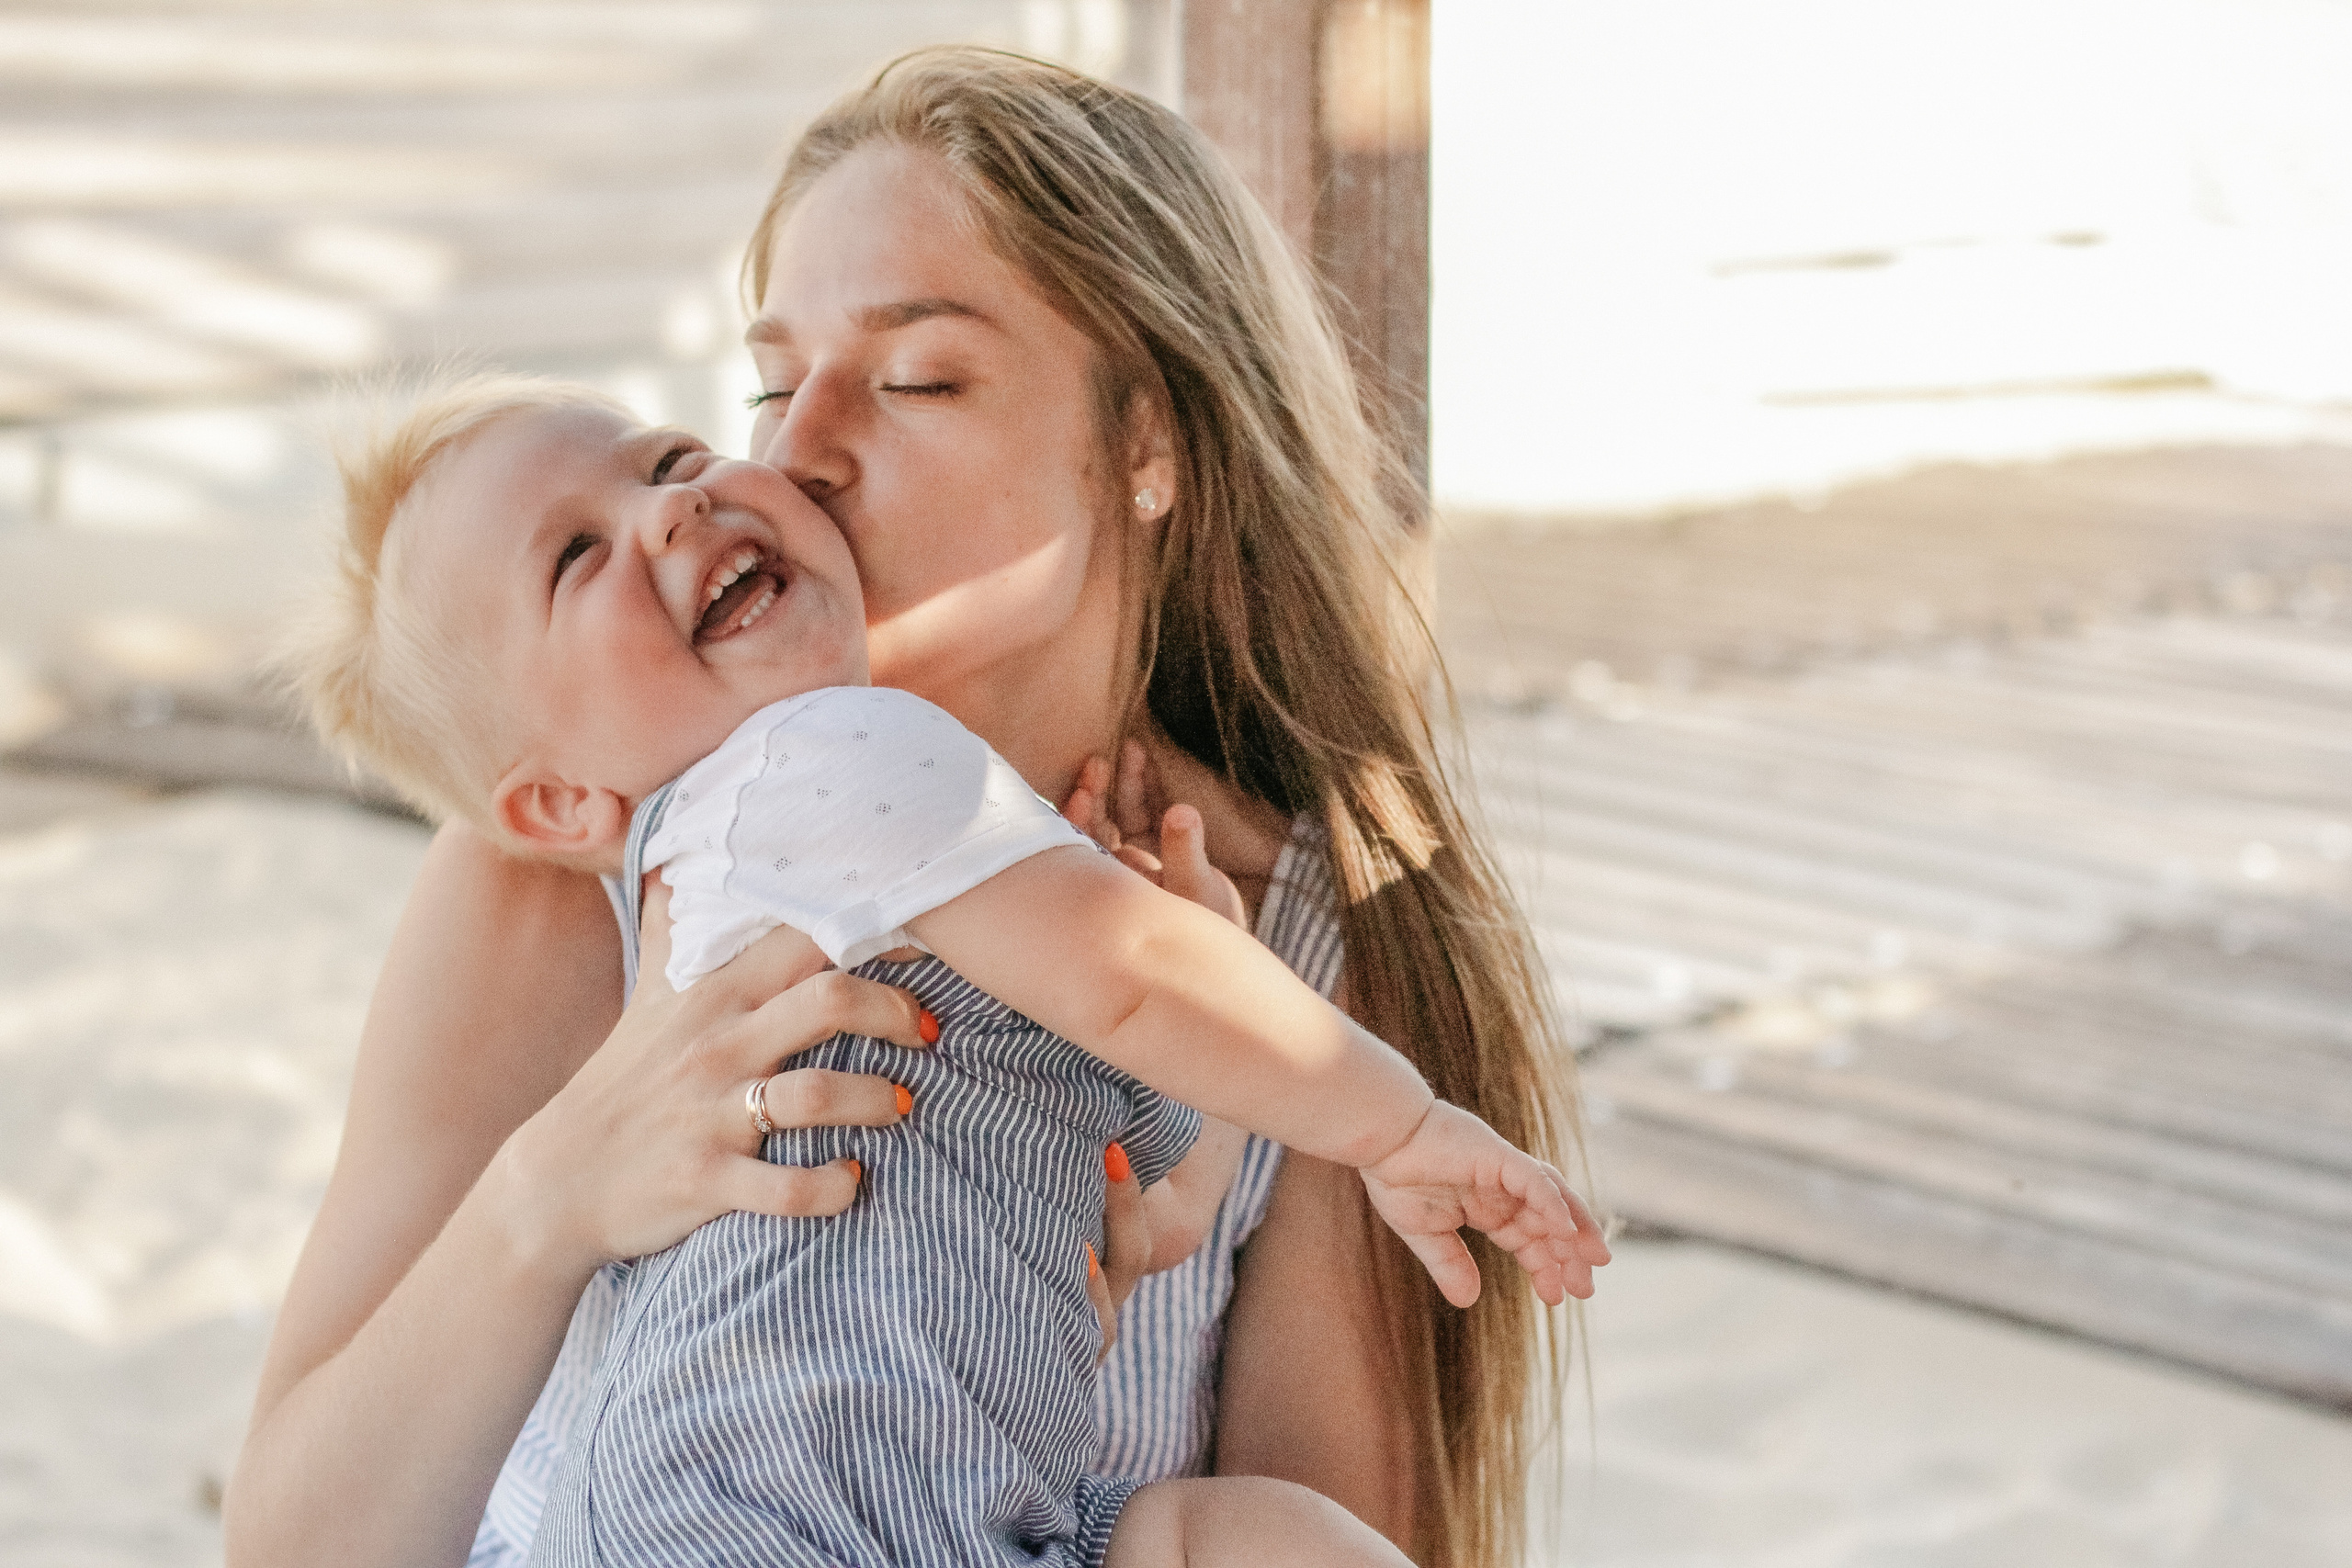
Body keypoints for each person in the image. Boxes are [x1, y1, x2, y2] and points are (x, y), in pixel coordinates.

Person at [226, 47, 1590, 1568]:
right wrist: (556, 1193)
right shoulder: (574, 868)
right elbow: (298, 1547)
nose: (791, 450)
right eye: (770, 382)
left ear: (1149, 442)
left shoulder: (1300, 958)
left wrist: (1153, 1175)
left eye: (915, 378)